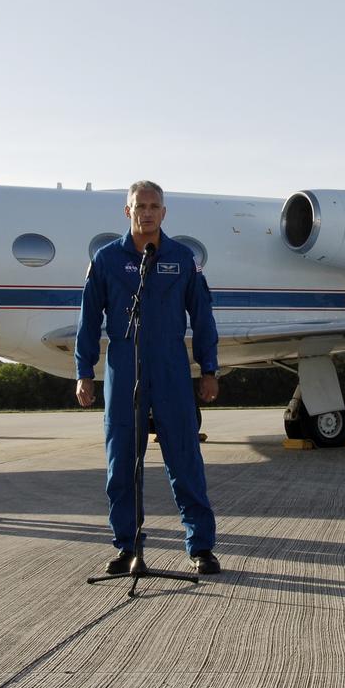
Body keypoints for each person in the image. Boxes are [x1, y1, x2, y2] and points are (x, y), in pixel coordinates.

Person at [76, 180, 222, 575]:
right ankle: (128, 546)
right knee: (122, 462)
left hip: (172, 367)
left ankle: (201, 546)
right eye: (140, 205)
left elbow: (203, 318)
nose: (147, 212)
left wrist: (208, 369)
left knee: (185, 458)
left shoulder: (182, 258)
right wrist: (83, 371)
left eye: (154, 205)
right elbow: (89, 320)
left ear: (164, 212)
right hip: (124, 367)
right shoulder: (107, 259)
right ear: (127, 211)